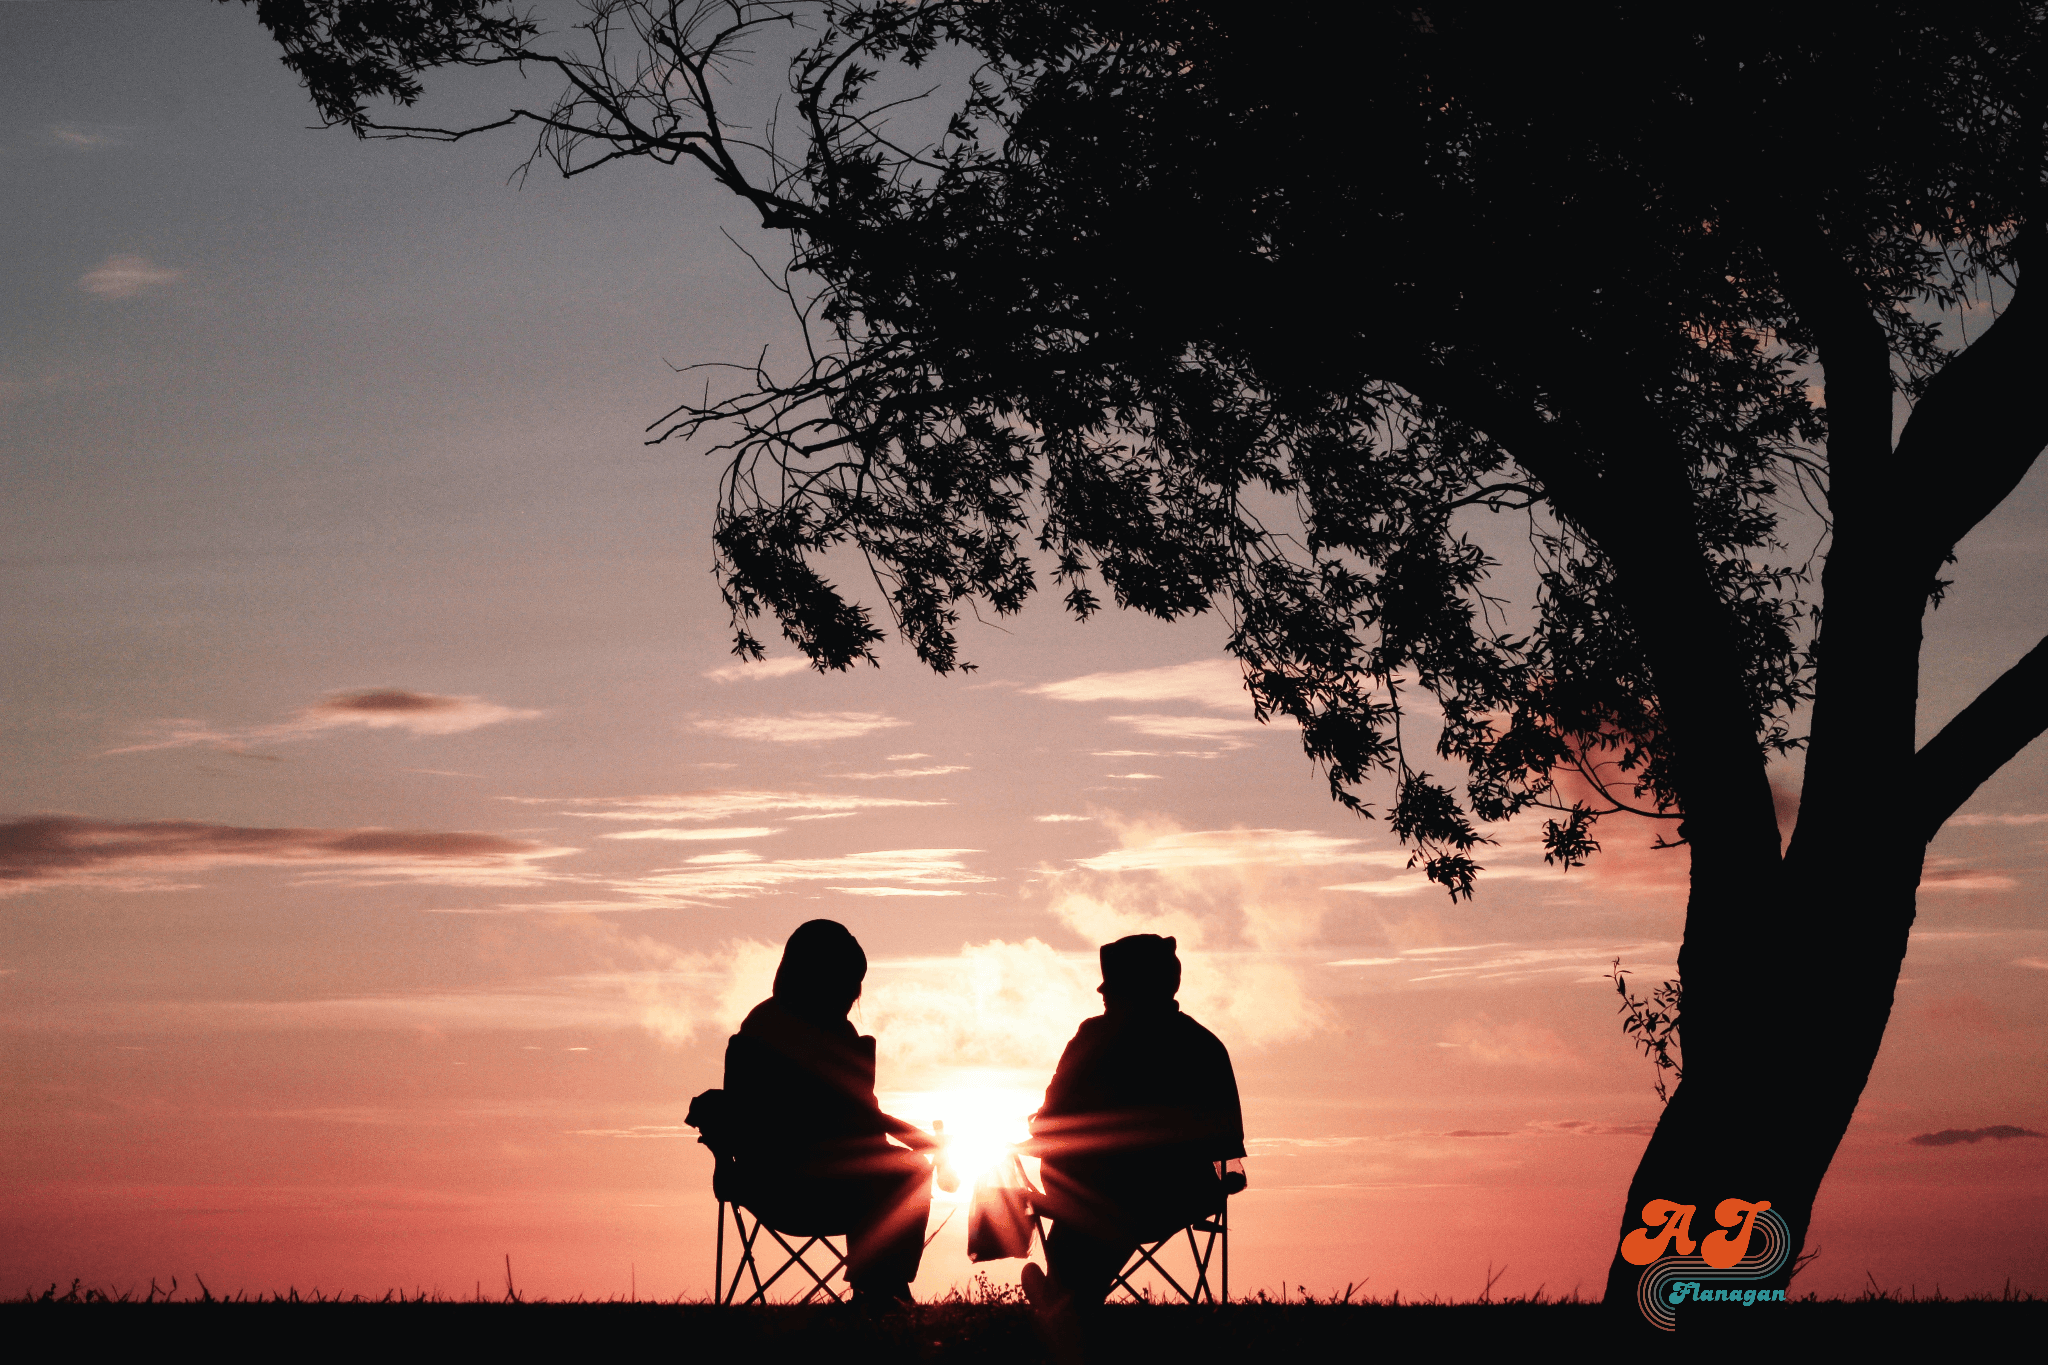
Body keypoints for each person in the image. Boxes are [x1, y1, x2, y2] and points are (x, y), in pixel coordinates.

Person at [711, 919, 937, 1305]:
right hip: (807, 1186)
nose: (855, 993)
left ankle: (880, 1285)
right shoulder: (811, 1036)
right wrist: (931, 1146)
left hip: (762, 1183)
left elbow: (865, 1121)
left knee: (899, 1169)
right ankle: (882, 1287)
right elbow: (865, 1121)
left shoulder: (760, 1027)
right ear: (822, 977)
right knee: (911, 1171)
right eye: (849, 981)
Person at [1022, 934, 1246, 1309]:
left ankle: (1065, 1295)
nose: (1104, 997)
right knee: (1105, 1203)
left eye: (1111, 990)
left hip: (1094, 1196)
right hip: (1178, 1197)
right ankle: (1066, 1294)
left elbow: (1046, 1125)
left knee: (1093, 1201)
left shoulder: (1093, 1038)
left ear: (1131, 989)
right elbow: (1227, 1146)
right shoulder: (1203, 1045)